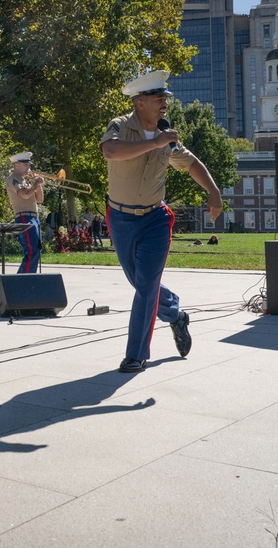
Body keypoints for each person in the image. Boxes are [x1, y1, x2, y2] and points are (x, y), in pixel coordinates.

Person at [100, 70, 223, 374]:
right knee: (141, 282)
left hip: (155, 219)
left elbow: (192, 163)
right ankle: (176, 314)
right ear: (140, 102)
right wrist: (155, 144)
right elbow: (111, 151)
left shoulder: (168, 139)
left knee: (145, 288)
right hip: (120, 218)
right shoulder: (119, 125)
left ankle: (136, 355)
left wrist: (214, 191)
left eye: (166, 97)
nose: (165, 103)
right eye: (158, 98)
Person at [5, 151, 44, 273]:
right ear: (16, 164)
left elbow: (40, 199)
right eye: (25, 164)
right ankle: (23, 280)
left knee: (36, 251)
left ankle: (27, 278)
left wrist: (38, 184)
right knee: (32, 251)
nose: (29, 167)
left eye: (29, 165)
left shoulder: (24, 180)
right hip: (24, 217)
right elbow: (25, 195)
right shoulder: (13, 179)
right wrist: (35, 184)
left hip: (33, 217)